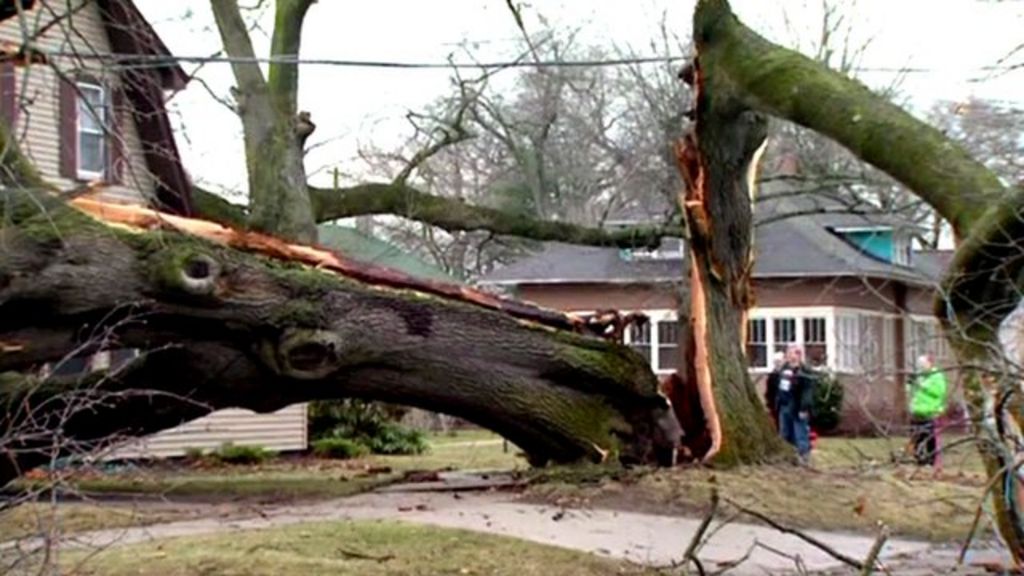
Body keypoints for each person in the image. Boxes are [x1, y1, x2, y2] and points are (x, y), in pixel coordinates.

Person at [906, 353, 949, 467]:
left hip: (930, 412)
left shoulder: (937, 376)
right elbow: (910, 392)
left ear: (930, 364)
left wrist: (921, 386)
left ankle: (931, 461)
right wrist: (910, 383)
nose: (921, 367)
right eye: (919, 364)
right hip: (917, 411)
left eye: (923, 364)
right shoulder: (920, 376)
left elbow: (938, 392)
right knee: (916, 437)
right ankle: (919, 460)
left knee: (930, 438)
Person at [776, 345, 815, 464]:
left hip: (797, 406)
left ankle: (803, 456)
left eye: (792, 353)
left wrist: (804, 408)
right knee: (785, 432)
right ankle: (788, 456)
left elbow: (807, 391)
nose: (789, 356)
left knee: (800, 432)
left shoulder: (804, 371)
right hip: (784, 405)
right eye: (788, 353)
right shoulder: (784, 369)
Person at [764, 352, 786, 431]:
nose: (777, 364)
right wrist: (769, 403)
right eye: (776, 362)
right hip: (775, 403)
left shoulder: (787, 373)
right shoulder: (772, 376)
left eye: (779, 361)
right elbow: (769, 390)